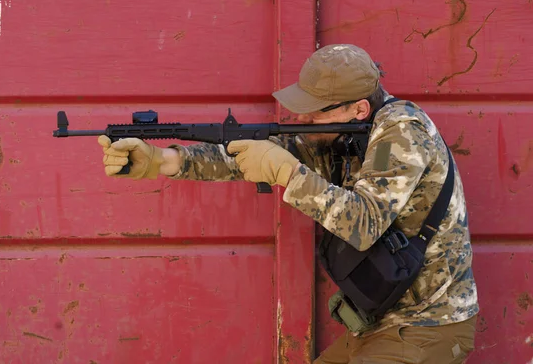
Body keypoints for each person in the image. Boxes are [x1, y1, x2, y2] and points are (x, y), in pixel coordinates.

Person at [98, 44, 479, 363]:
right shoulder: (340, 136)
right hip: (379, 325)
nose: (301, 118)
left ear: (358, 109)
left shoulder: (402, 131)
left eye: (315, 109)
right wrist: (163, 160)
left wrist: (290, 175)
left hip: (429, 326)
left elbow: (364, 224)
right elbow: (251, 157)